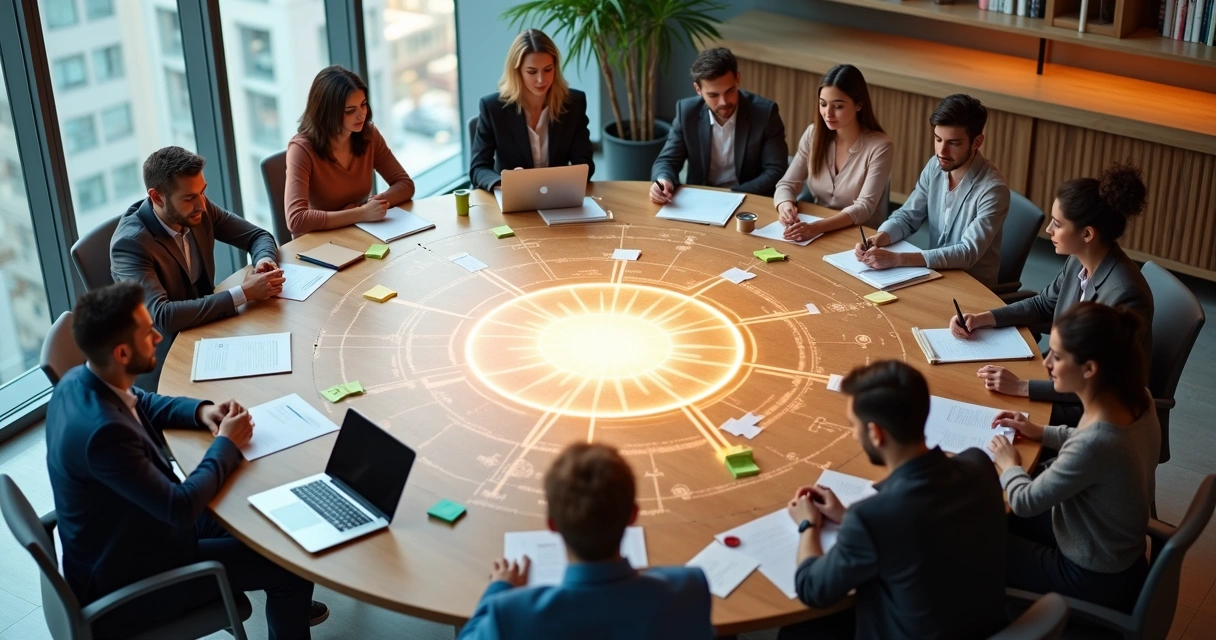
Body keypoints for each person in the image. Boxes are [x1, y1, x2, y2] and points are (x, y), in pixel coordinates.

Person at [44, 282, 325, 639]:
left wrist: (202, 411)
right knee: (291, 566)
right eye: (148, 334)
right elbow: (180, 508)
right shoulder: (103, 435)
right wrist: (226, 443)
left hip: (138, 533)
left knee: (259, 515)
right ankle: (288, 599)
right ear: (121, 354)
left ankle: (289, 608)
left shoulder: (78, 380)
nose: (159, 338)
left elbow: (140, 401)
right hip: (136, 581)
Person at [781, 360, 1007, 640]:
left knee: (795, 633)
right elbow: (926, 523)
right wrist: (845, 515)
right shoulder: (978, 463)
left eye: (854, 425)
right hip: (980, 624)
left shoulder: (870, 518)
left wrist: (808, 524)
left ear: (876, 433)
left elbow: (811, 588)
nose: (853, 435)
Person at [952, 163, 1153, 427]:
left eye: (1057, 224)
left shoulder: (1125, 294)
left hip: (1089, 409)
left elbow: (1096, 380)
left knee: (990, 411)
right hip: (1062, 378)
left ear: (1087, 234)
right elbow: (1045, 304)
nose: (1048, 230)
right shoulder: (1079, 261)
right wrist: (984, 319)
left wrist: (1023, 387)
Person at [989, 302, 1159, 612]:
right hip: (1109, 544)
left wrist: (1009, 463)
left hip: (1091, 573)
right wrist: (1041, 431)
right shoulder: (1137, 399)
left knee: (970, 542)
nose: (1047, 363)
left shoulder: (1097, 443)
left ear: (1090, 368)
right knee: (987, 518)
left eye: (1057, 355)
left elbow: (1024, 501)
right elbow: (1094, 445)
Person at [460, 443, 713, 640]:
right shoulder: (689, 589)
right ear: (633, 515)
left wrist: (499, 588)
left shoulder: (509, 614)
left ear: (552, 525)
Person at [111, 146, 282, 388]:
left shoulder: (197, 207)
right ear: (157, 197)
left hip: (209, 332)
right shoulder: (130, 244)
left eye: (202, 192)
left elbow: (256, 236)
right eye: (189, 198)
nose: (202, 204)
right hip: (166, 357)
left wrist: (264, 261)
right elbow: (163, 317)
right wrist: (244, 293)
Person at [854, 94, 1009, 289]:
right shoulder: (936, 166)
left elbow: (966, 252)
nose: (941, 152)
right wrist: (880, 237)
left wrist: (897, 259)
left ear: (977, 142)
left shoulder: (993, 190)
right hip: (934, 275)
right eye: (938, 139)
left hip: (972, 289)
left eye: (953, 143)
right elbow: (907, 216)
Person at [285, 65, 415, 236]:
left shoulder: (369, 135)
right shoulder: (301, 149)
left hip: (359, 234)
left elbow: (405, 185)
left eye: (363, 105)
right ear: (328, 113)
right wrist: (360, 214)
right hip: (318, 244)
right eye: (350, 111)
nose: (361, 115)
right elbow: (297, 220)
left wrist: (373, 206)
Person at [649, 47, 788, 203]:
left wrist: (729, 196)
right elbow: (667, 161)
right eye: (714, 95)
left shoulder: (765, 113)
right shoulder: (687, 112)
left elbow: (776, 170)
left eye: (730, 91)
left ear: (737, 78)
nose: (724, 102)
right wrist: (663, 181)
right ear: (698, 89)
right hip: (700, 200)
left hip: (748, 199)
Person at [774, 64, 894, 242]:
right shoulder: (813, 134)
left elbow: (864, 208)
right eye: (823, 104)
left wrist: (816, 228)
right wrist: (785, 205)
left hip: (860, 237)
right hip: (815, 230)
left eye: (838, 106)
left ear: (859, 104)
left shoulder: (880, 146)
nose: (827, 113)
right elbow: (787, 184)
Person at [469, 29, 594, 193]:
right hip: (515, 196)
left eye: (548, 69)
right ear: (517, 71)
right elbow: (478, 168)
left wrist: (554, 182)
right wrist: (506, 182)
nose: (541, 79)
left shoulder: (573, 103)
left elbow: (585, 165)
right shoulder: (493, 108)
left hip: (557, 195)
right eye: (532, 72)